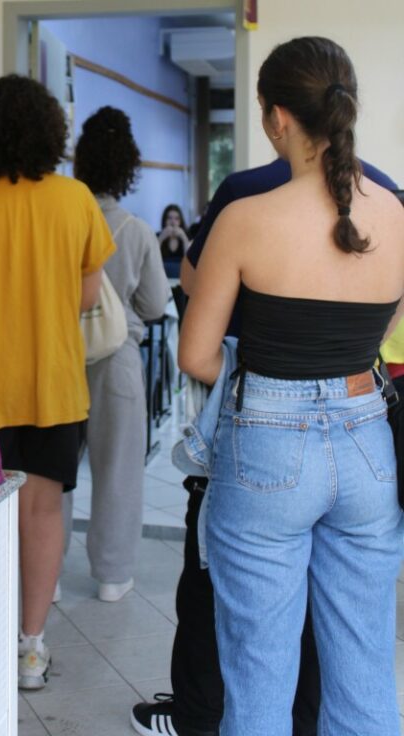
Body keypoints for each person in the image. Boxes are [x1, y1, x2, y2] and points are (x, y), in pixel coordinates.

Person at [130, 100, 399, 736]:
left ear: (278, 117)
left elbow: (194, 355)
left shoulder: (247, 215)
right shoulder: (394, 211)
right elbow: (385, 330)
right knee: (364, 672)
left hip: (269, 445)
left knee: (258, 677)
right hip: (367, 437)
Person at [0, 75, 115, 690]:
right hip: (54, 384)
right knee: (41, 511)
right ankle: (31, 649)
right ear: (51, 134)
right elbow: (89, 296)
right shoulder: (75, 199)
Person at [72, 106, 170, 602]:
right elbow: (154, 305)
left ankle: (43, 578)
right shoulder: (134, 230)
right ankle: (112, 575)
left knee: (54, 472)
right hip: (118, 359)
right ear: (128, 165)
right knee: (118, 471)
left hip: (62, 356)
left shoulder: (63, 220)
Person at [158, 204, 190, 279]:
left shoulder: (186, 236)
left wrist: (184, 238)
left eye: (176, 219)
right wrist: (161, 238)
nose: (173, 222)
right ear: (164, 220)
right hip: (163, 277)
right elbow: (152, 259)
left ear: (181, 221)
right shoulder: (158, 236)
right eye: (169, 218)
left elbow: (189, 263)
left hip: (182, 277)